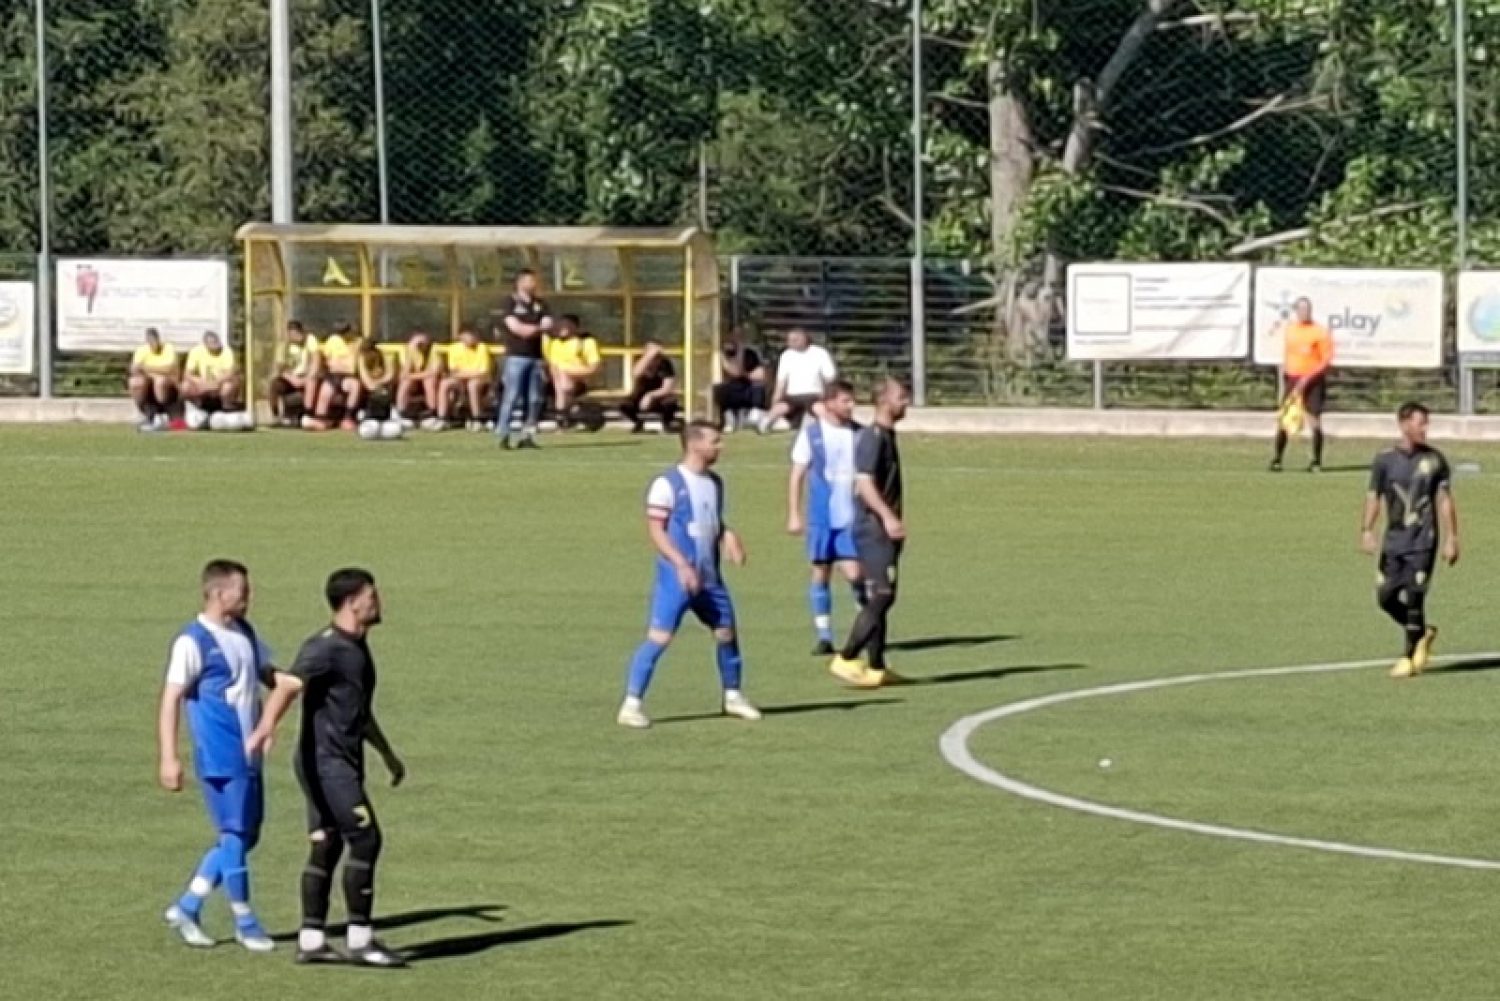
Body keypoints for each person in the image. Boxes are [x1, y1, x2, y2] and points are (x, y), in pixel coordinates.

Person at [246, 568, 408, 968]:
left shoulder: (356, 648)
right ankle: (360, 940)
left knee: (328, 843)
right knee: (366, 840)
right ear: (352, 602)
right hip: (326, 764)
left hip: (333, 760)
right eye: (372, 596)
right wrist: (265, 728)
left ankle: (312, 939)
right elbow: (288, 685)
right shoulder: (326, 648)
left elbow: (357, 711)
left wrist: (386, 753)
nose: (379, 602)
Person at [157, 559, 291, 954]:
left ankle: (188, 906)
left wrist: (305, 680)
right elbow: (171, 699)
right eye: (242, 592)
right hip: (219, 751)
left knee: (246, 836)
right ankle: (245, 921)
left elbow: (270, 675)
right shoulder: (192, 641)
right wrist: (169, 757)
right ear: (218, 593)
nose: (249, 598)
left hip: (249, 751)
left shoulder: (244, 632)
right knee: (233, 833)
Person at [618, 421, 761, 729]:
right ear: (695, 444)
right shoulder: (667, 484)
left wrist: (728, 535)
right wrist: (681, 564)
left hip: (709, 578)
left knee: (726, 633)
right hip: (678, 579)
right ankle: (631, 704)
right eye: (715, 441)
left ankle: (733, 696)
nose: (721, 447)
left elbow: (712, 519)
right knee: (660, 638)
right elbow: (656, 530)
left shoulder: (715, 482)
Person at [1361, 403, 1460, 679]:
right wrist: (1367, 530)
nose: (1425, 429)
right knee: (1385, 598)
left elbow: (1444, 500)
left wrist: (1452, 537)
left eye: (1427, 423)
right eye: (1420, 423)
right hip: (1394, 541)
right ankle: (1423, 632)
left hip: (1423, 541)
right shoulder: (1384, 460)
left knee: (1415, 597)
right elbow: (1373, 496)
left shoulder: (1435, 460)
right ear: (1404, 424)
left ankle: (1408, 657)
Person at [830, 378, 910, 688]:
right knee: (882, 595)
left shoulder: (886, 435)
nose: (906, 403)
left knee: (881, 597)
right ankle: (846, 657)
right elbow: (864, 484)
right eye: (901, 397)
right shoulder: (872, 438)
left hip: (881, 529)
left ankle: (876, 668)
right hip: (873, 529)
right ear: (884, 401)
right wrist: (888, 518)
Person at [787, 380, 867, 655]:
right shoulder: (812, 435)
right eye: (846, 401)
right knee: (821, 571)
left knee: (855, 573)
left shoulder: (859, 434)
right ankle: (824, 636)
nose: (851, 406)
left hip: (850, 517)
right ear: (830, 403)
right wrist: (794, 513)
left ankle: (866, 627)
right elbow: (797, 475)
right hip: (821, 517)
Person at [1271, 297, 1334, 472]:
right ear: (1296, 311)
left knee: (1314, 420)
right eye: (1300, 309)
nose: (1303, 313)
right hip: (1292, 379)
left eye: (1307, 309)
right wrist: (1287, 376)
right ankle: (1277, 459)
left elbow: (1326, 359)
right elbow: (1288, 356)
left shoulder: (1320, 332)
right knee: (1285, 419)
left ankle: (1316, 461)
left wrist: (1307, 378)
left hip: (1313, 381)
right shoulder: (1290, 330)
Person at [495, 269, 551, 449]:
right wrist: (537, 328)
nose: (533, 284)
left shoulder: (541, 304)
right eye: (529, 280)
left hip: (536, 357)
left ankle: (527, 435)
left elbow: (548, 324)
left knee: (535, 399)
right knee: (512, 396)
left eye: (534, 281)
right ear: (519, 283)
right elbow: (517, 329)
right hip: (516, 357)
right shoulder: (509, 302)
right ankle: (503, 434)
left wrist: (534, 329)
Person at [759, 328, 836, 434]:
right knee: (780, 407)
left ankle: (833, 425)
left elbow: (830, 378)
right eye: (789, 340)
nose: (791, 342)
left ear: (805, 338)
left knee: (819, 409)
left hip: (814, 394)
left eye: (795, 339)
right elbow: (781, 383)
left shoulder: (820, 353)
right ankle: (764, 424)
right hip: (792, 396)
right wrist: (775, 402)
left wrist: (828, 396)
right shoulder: (786, 355)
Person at [545, 314, 601, 429]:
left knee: (562, 379)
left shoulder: (585, 342)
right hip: (557, 380)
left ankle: (562, 415)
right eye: (560, 325)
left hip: (577, 380)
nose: (562, 328)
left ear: (575, 327)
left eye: (566, 325)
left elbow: (594, 367)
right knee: (559, 380)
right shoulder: (553, 342)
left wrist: (568, 372)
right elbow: (550, 363)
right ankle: (565, 414)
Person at [437, 325, 494, 431]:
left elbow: (483, 372)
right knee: (445, 383)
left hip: (481, 380)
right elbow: (453, 372)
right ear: (461, 337)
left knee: (472, 384)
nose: (470, 339)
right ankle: (442, 419)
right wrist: (469, 373)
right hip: (461, 380)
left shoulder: (482, 347)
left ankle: (477, 419)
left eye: (472, 336)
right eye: (467, 336)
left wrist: (463, 373)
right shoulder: (454, 348)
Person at [620, 339, 680, 433]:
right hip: (640, 395)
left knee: (670, 402)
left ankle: (667, 425)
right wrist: (648, 357)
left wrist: (650, 395)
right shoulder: (640, 361)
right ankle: (639, 424)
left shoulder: (665, 364)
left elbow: (667, 388)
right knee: (625, 404)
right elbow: (636, 373)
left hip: (659, 396)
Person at [309, 324, 361, 431]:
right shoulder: (333, 340)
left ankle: (348, 418)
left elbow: (352, 368)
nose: (343, 335)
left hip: (348, 377)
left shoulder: (356, 343)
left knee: (355, 385)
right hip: (333, 375)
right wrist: (338, 365)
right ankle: (320, 419)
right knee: (326, 389)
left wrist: (339, 365)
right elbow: (329, 363)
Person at [714, 330, 768, 432]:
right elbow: (735, 372)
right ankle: (729, 420)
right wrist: (740, 353)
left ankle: (754, 417)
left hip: (747, 388)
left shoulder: (750, 353)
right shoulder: (720, 354)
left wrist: (744, 374)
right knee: (721, 389)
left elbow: (761, 375)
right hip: (729, 390)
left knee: (758, 387)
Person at [269, 321, 320, 427]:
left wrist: (306, 379)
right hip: (291, 377)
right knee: (275, 384)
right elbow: (280, 368)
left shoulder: (310, 340)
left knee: (311, 382)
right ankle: (276, 416)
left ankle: (307, 415)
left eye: (297, 334)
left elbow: (316, 362)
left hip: (307, 376)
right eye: (292, 334)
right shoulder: (284, 346)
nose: (295, 337)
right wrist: (293, 379)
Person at [128, 327, 180, 430]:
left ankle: (163, 414)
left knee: (160, 381)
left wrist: (146, 369)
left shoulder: (168, 348)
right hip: (148, 381)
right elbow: (134, 369)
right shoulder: (141, 350)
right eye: (150, 340)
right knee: (135, 382)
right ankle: (145, 413)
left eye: (154, 339)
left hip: (167, 383)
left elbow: (170, 369)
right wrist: (156, 372)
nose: (152, 343)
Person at [184, 331, 242, 413]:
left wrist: (215, 383)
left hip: (220, 383)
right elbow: (187, 374)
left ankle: (227, 407)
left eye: (216, 341)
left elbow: (230, 373)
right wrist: (198, 381)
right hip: (203, 383)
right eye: (212, 342)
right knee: (185, 386)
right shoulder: (196, 351)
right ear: (205, 344)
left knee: (228, 386)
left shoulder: (226, 351)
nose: (215, 344)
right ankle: (198, 408)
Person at [394, 332, 439, 422]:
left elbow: (434, 372)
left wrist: (411, 376)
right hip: (416, 380)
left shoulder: (435, 350)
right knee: (406, 383)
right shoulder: (409, 351)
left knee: (429, 381)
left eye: (422, 342)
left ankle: (432, 412)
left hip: (431, 379)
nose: (420, 346)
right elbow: (404, 374)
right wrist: (412, 352)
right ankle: (401, 412)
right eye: (417, 343)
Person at [357, 339, 395, 419]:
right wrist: (376, 385)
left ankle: (388, 413)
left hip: (383, 385)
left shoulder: (383, 355)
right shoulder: (361, 358)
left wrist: (379, 382)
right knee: (377, 394)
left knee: (385, 392)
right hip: (369, 387)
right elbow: (367, 382)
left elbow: (390, 375)